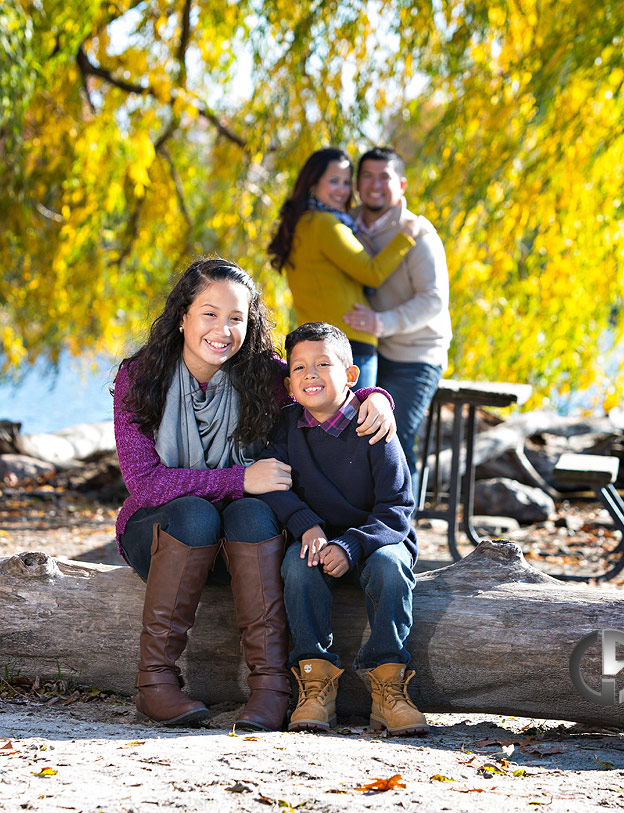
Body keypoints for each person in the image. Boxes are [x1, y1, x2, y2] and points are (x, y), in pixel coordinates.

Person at [113, 258, 397, 732]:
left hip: (246, 547)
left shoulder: (263, 375)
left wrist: (376, 397)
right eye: (209, 313)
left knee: (250, 512)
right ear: (182, 315)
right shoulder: (140, 378)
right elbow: (146, 484)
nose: (222, 329)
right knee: (195, 513)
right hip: (164, 535)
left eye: (236, 318)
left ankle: (270, 689)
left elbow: (323, 381)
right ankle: (155, 684)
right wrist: (240, 478)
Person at [257, 322, 428, 736]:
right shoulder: (285, 426)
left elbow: (398, 507)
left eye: (322, 364)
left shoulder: (374, 427)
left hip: (378, 537)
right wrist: (307, 526)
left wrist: (351, 545)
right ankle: (316, 684)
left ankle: (389, 686)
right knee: (298, 568)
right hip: (318, 537)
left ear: (351, 375)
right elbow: (275, 487)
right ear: (289, 382)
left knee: (390, 567)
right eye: (299, 368)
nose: (310, 375)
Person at [267, 147, 422, 389]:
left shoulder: (302, 222)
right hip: (349, 344)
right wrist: (407, 236)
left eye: (346, 183)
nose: (342, 190)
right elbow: (372, 273)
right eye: (333, 181)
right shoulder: (326, 223)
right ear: (313, 184)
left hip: (315, 341)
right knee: (356, 425)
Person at [342, 147, 452, 484]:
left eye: (384, 177)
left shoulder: (417, 233)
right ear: (357, 183)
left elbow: (434, 300)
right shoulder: (345, 226)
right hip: (366, 349)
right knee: (350, 437)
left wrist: (381, 323)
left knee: (393, 436)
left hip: (414, 352)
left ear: (401, 184)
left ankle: (404, 532)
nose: (375, 185)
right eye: (367, 176)